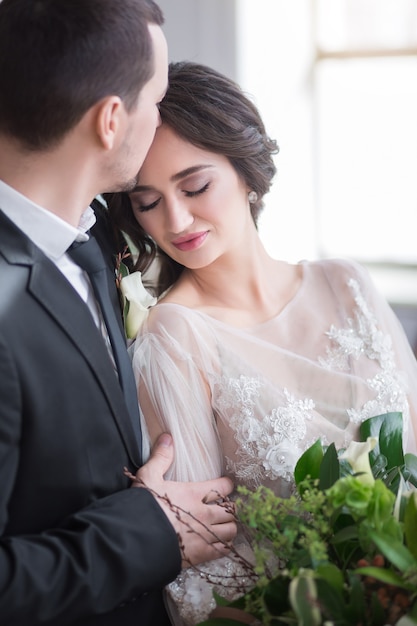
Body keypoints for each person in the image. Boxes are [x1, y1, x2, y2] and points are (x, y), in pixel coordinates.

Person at [105, 60, 417, 625]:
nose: (176, 219)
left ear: (247, 173)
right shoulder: (175, 339)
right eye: (148, 202)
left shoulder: (346, 282)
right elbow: (199, 563)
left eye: (195, 185)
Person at [0, 4, 237, 625]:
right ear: (111, 121)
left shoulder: (91, 234)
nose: (161, 117)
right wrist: (145, 531)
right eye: (156, 99)